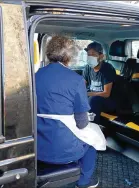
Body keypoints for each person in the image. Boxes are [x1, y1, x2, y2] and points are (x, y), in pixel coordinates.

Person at [36, 36, 99, 188]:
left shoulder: (35, 76)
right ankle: (84, 182)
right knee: (93, 144)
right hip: (63, 149)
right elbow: (82, 123)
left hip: (37, 146)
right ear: (69, 56)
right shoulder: (76, 80)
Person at [83, 42, 116, 124]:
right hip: (92, 98)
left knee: (93, 100)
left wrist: (88, 94)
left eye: (93, 54)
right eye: (88, 54)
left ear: (101, 56)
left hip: (107, 101)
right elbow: (82, 86)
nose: (90, 57)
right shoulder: (87, 68)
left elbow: (106, 93)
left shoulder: (107, 69)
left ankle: (92, 128)